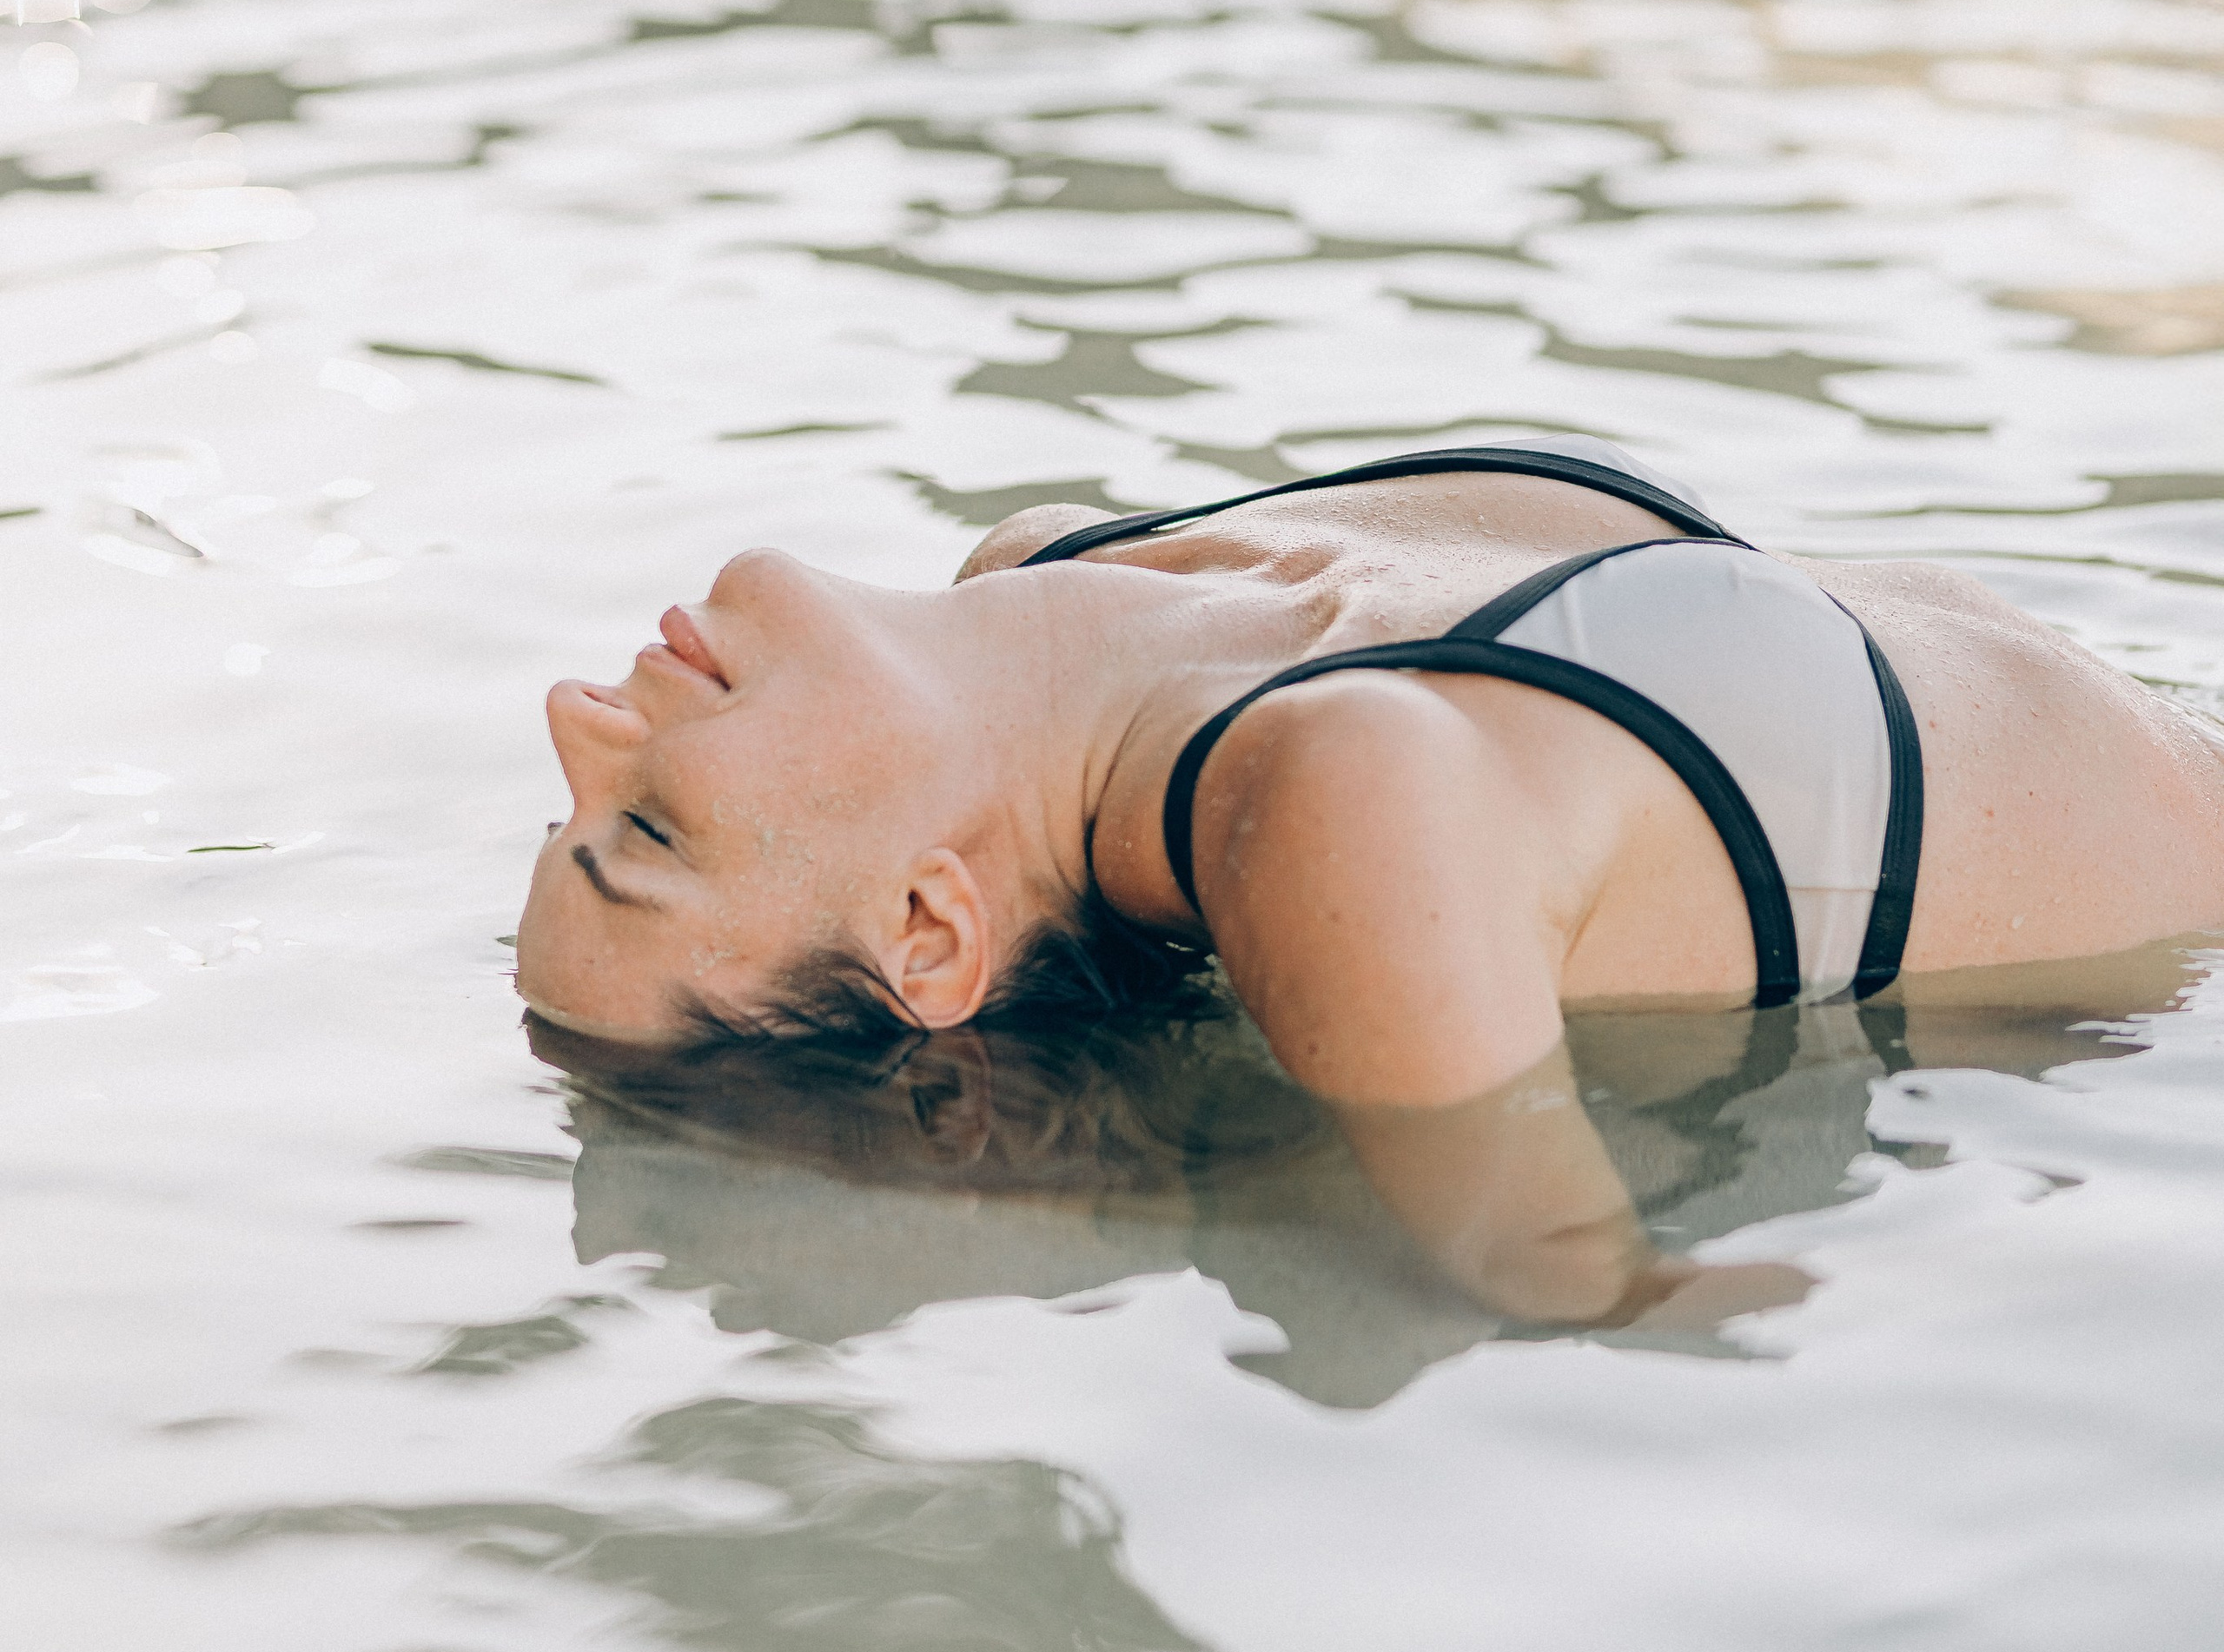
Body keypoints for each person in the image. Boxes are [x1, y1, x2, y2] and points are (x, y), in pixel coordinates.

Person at [516, 439, 2224, 1321]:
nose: (579, 719)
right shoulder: (1313, 805)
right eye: (652, 834)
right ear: (924, 927)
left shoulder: (1062, 572)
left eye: (575, 811)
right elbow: (1584, 1283)